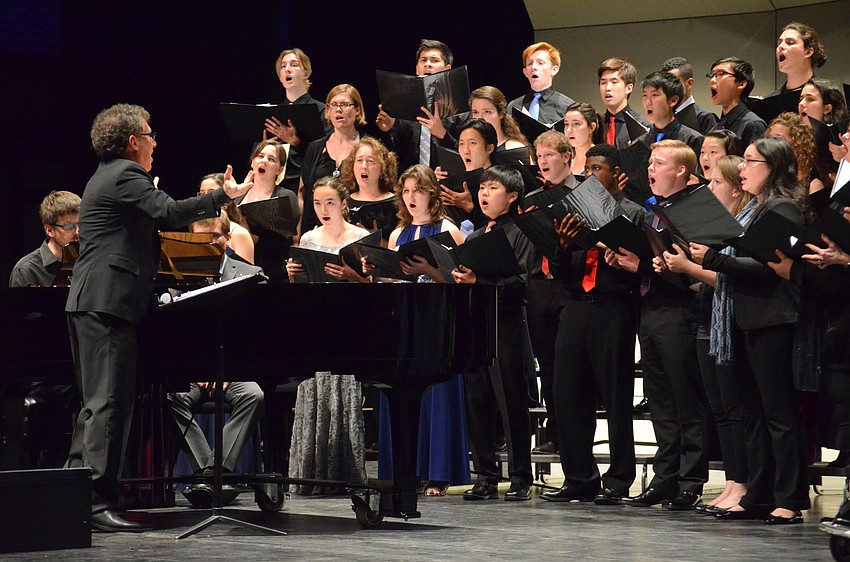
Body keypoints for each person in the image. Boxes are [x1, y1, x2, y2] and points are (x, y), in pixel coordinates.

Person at [64, 103, 253, 532]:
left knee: (96, 405)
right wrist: (222, 196)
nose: (155, 143)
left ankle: (76, 496)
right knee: (108, 404)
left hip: (94, 301)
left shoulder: (104, 175)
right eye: (150, 136)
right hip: (107, 303)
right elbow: (169, 212)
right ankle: (94, 502)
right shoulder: (126, 175)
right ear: (133, 142)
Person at [700, 137, 811, 523]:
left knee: (778, 413)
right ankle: (758, 495)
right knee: (753, 413)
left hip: (773, 320)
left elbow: (767, 268)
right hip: (750, 319)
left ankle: (789, 498)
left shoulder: (781, 207)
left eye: (750, 161)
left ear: (773, 168)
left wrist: (712, 258)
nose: (742, 168)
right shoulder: (758, 207)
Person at [608, 140, 710, 510]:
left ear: (681, 170)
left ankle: (690, 479)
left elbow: (694, 274)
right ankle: (666, 478)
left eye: (659, 163)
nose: (650, 168)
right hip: (651, 310)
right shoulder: (655, 211)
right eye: (650, 162)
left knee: (686, 400)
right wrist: (630, 262)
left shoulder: (696, 209)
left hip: (681, 311)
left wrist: (648, 268)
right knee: (661, 402)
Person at [541, 143, 644, 505]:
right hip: (574, 307)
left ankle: (618, 479)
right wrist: (563, 246)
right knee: (567, 395)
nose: (589, 175)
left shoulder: (632, 214)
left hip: (612, 309)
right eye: (586, 168)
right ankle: (579, 477)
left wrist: (622, 262)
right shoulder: (578, 213)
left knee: (616, 399)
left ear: (616, 175)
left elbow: (641, 270)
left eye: (596, 168)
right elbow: (561, 273)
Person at [658, 155, 751, 514]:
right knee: (720, 410)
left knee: (733, 408)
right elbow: (708, 284)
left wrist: (689, 267)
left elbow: (729, 279)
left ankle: (741, 483)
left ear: (736, 188)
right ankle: (731, 483)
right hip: (707, 319)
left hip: (728, 323)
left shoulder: (738, 229)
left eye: (715, 184)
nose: (709, 189)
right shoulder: (715, 228)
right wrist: (678, 267)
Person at [374, 164, 467, 495]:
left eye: (419, 191)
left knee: (436, 395)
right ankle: (406, 470)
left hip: (438, 320)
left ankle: (438, 474)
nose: (412, 197)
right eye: (407, 191)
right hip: (407, 319)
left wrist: (429, 268)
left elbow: (460, 284)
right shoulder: (399, 234)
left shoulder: (449, 230)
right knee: (403, 392)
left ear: (433, 195)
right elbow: (395, 280)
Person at [167, 213, 265, 509]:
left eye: (215, 237)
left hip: (234, 369)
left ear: (227, 239)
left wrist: (228, 371)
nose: (209, 243)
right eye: (201, 238)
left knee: (254, 394)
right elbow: (175, 329)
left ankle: (212, 474)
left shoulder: (249, 274)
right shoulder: (177, 275)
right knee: (168, 396)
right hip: (194, 370)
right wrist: (197, 369)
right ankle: (212, 475)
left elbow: (253, 330)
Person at [452, 166, 534, 502]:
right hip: (478, 327)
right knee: (478, 403)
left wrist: (480, 283)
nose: (484, 194)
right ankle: (485, 474)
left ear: (512, 196)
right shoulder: (474, 237)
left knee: (511, 403)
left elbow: (522, 284)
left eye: (493, 188)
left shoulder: (521, 233)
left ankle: (519, 476)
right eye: (482, 188)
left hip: (508, 328)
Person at [286, 177, 371, 494]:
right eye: (318, 203)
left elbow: (374, 288)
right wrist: (293, 276)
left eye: (330, 202)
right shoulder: (308, 238)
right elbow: (302, 293)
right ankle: (311, 473)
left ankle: (344, 473)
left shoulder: (360, 237)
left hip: (349, 325)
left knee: (344, 394)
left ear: (344, 204)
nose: (323, 209)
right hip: (317, 324)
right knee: (316, 393)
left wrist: (350, 275)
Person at [520, 130, 579, 456]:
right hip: (539, 287)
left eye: (549, 156)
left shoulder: (583, 192)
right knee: (550, 367)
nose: (542, 163)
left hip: (570, 286)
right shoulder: (531, 201)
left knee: (571, 367)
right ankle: (555, 431)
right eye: (539, 157)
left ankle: (574, 435)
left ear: (567, 156)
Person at [375, 39, 463, 172]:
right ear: (417, 69)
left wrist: (443, 135)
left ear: (447, 69)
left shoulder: (459, 110)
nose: (428, 64)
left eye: (434, 60)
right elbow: (393, 156)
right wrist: (388, 131)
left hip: (447, 186)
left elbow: (467, 155)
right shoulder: (402, 109)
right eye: (423, 60)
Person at [300, 84, 366, 237]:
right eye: (333, 105)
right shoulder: (315, 148)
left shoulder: (367, 146)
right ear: (328, 111)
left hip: (353, 230)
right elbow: (303, 193)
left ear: (357, 110)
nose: (338, 110)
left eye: (344, 105)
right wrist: (298, 235)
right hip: (317, 229)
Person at [263, 48, 330, 192]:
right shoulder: (272, 112)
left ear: (306, 73)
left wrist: (296, 142)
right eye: (283, 66)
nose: (287, 69)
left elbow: (327, 155)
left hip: (305, 184)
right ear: (280, 76)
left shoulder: (321, 110)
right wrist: (263, 147)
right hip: (273, 185)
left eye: (293, 65)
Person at [236, 140, 299, 280]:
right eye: (260, 156)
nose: (263, 161)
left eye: (271, 159)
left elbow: (283, 244)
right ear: (252, 162)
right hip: (241, 269)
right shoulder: (238, 197)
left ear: (280, 169)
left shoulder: (285, 196)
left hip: (272, 271)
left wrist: (254, 239)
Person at [10, 190, 80, 287]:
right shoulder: (26, 271)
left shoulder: (87, 262)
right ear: (49, 230)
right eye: (69, 226)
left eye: (80, 224)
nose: (77, 232)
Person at [439, 118, 497, 231]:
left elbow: (500, 226)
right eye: (461, 144)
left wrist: (469, 207)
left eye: (472, 143)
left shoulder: (500, 181)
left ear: (489, 148)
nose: (466, 151)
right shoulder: (455, 178)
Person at [339, 136, 399, 241]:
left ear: (382, 169)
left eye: (370, 161)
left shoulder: (397, 204)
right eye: (359, 160)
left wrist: (376, 240)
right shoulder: (344, 204)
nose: (364, 166)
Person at [638, 71, 704, 158]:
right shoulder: (640, 142)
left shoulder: (692, 140)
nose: (648, 102)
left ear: (673, 100)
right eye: (645, 95)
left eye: (655, 95)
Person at [507, 42, 575, 126]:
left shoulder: (568, 106)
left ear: (554, 69)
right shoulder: (514, 106)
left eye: (540, 63)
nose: (533, 67)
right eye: (530, 63)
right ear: (525, 72)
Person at [708, 57, 766, 147]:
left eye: (721, 74)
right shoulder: (717, 126)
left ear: (741, 84)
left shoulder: (753, 124)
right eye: (712, 75)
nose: (712, 80)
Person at [197, 173, 254, 264]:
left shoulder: (239, 233)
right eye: (202, 194)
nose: (205, 199)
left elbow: (246, 272)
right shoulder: (198, 227)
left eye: (212, 193)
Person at [765, 112, 825, 197]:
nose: (770, 143)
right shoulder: (767, 174)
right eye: (768, 138)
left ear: (798, 142)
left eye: (777, 138)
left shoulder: (813, 184)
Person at [597, 57, 647, 150]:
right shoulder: (596, 126)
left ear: (629, 88)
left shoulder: (641, 128)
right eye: (603, 82)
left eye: (614, 82)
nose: (607, 88)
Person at [661, 56, 719, 134]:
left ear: (689, 83)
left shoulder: (704, 118)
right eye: (664, 82)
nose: (668, 87)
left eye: (674, 81)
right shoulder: (661, 116)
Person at [774, 22, 827, 101]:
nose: (781, 46)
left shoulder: (826, 96)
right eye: (779, 43)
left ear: (808, 52)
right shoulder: (771, 101)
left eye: (790, 42)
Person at [470, 86, 530, 151]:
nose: (480, 117)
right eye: (475, 112)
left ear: (501, 113)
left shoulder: (516, 148)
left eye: (487, 112)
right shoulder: (469, 149)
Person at [564, 102, 599, 177]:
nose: (569, 130)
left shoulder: (601, 161)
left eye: (576, 124)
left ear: (592, 127)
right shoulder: (566, 162)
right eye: (566, 124)